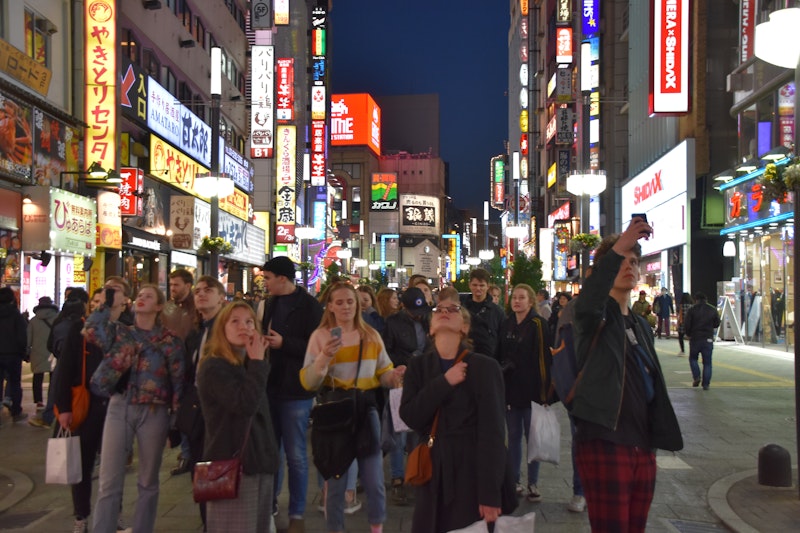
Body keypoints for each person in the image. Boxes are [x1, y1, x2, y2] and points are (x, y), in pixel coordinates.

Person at [572, 219, 683, 532]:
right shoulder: (592, 315)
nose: (629, 266)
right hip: (605, 439)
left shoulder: (640, 325)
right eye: (622, 260)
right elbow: (592, 296)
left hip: (642, 444)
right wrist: (618, 247)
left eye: (634, 261)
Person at [300, 281, 404, 533]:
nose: (346, 306)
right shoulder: (321, 336)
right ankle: (335, 528)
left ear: (357, 305)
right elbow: (308, 382)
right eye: (339, 302)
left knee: (374, 478)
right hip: (335, 411)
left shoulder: (370, 335)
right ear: (330, 306)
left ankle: (376, 527)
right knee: (336, 481)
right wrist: (324, 356)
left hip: (366, 409)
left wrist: (394, 377)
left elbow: (383, 370)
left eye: (350, 301)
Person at [400, 286, 507, 532]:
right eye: (438, 309)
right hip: (433, 471)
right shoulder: (418, 366)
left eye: (453, 309)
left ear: (465, 327)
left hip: (471, 470)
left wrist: (490, 492)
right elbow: (411, 416)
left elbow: (493, 433)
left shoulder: (485, 367)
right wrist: (444, 382)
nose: (444, 311)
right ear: (431, 327)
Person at [85, 282, 185, 533]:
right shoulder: (120, 332)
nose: (141, 299)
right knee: (109, 481)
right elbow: (91, 329)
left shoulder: (169, 341)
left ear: (159, 306)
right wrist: (108, 303)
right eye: (139, 295)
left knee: (148, 481)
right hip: (120, 405)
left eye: (149, 296)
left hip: (155, 410)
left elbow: (178, 380)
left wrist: (176, 421)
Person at [197, 301, 278, 533]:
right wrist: (258, 364)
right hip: (231, 465)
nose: (244, 327)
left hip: (259, 461)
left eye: (249, 321)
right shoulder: (213, 367)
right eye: (235, 321)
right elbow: (245, 404)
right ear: (222, 328)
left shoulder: (247, 363)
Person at [259, 256, 323, 532]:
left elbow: (315, 347)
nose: (265, 282)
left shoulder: (309, 306)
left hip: (297, 389)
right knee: (271, 450)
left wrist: (284, 343)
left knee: (296, 454)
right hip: (270, 384)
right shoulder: (269, 303)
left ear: (282, 278)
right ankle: (270, 503)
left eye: (268, 278)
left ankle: (296, 512)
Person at [53, 282, 113, 533]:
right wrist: (63, 407)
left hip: (112, 406)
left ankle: (113, 514)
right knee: (82, 464)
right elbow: (64, 368)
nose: (98, 308)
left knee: (113, 468)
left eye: (104, 304)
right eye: (95, 303)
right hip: (85, 405)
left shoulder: (119, 330)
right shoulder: (80, 329)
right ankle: (81, 516)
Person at [180, 276, 227, 528]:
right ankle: (209, 523)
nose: (201, 294)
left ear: (221, 297)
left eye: (208, 290)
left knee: (217, 472)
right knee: (199, 473)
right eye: (197, 291)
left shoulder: (228, 328)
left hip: (221, 412)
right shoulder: (197, 332)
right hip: (198, 411)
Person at [498, 283, 552, 503]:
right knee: (513, 437)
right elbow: (500, 352)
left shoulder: (538, 324)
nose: (517, 301)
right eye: (514, 298)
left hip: (533, 391)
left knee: (533, 439)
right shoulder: (507, 323)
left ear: (531, 301)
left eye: (522, 298)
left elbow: (544, 360)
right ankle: (514, 481)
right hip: (511, 390)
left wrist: (545, 393)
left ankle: (533, 482)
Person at [382, 286, 432, 504]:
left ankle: (414, 472)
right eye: (413, 310)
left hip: (422, 379)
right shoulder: (393, 323)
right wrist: (404, 361)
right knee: (399, 432)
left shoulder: (426, 320)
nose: (417, 314)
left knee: (417, 431)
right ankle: (397, 478)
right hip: (401, 380)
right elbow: (387, 351)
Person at [30, 289, 91, 429]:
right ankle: (79, 415)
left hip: (61, 361)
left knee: (57, 387)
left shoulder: (59, 320)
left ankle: (52, 416)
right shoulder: (84, 323)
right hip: (82, 363)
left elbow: (50, 344)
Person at [459, 268, 505, 360]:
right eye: (475, 285)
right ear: (469, 285)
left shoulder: (497, 312)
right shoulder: (460, 310)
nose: (478, 288)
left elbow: (502, 340)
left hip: (489, 360)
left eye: (481, 285)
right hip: (463, 357)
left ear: (487, 286)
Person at [0, 286, 28, 422]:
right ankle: (16, 412)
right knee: (15, 383)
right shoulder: (16, 314)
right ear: (12, 298)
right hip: (13, 354)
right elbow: (22, 336)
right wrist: (23, 351)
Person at [684, 291, 721, 390]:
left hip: (695, 338)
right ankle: (706, 384)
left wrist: (688, 334)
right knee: (707, 362)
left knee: (693, 359)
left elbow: (687, 324)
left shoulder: (692, 310)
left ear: (696, 299)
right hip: (708, 338)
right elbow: (717, 323)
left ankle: (696, 376)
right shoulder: (712, 309)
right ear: (706, 299)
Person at [27, 296, 58, 411]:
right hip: (53, 353)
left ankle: (39, 401)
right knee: (53, 377)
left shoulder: (33, 321)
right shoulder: (57, 319)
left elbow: (28, 339)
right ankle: (52, 399)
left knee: (37, 377)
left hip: (37, 353)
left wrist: (27, 351)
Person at [162, 268, 197, 341]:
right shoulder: (167, 306)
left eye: (176, 285)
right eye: (171, 285)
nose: (172, 288)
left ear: (188, 286)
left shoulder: (197, 307)